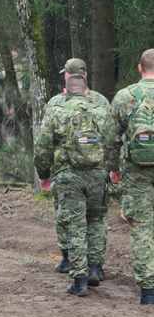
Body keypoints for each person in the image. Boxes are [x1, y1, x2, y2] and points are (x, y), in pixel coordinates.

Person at [34, 75, 108, 296]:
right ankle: (95, 267)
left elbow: (43, 147)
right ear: (87, 92)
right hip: (98, 174)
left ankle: (80, 281)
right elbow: (116, 141)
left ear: (65, 92)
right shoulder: (102, 110)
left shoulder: (56, 111)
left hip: (69, 175)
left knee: (75, 224)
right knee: (96, 220)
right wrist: (114, 170)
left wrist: (44, 174)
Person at [104, 48, 154, 305]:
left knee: (143, 227)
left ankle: (148, 292)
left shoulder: (125, 96)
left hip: (137, 172)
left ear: (139, 68)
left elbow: (111, 138)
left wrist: (114, 168)